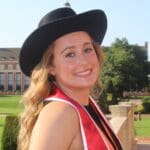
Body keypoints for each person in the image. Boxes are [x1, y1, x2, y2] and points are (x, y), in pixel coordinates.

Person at [18, 6, 123, 150]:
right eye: (70, 54)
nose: (84, 61)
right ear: (50, 67)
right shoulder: (59, 114)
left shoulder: (87, 104)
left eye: (87, 49)